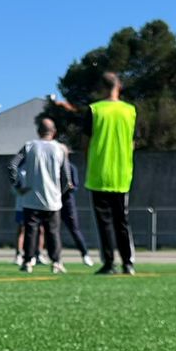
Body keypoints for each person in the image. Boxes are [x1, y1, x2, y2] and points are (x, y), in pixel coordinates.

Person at [54, 72, 136, 275]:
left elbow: (86, 142)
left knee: (104, 222)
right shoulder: (130, 111)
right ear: (119, 86)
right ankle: (128, 263)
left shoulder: (95, 110)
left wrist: (91, 159)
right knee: (122, 221)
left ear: (102, 87)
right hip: (122, 174)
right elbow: (134, 142)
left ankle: (109, 263)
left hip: (99, 173)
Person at [10, 116, 69, 273]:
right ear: (54, 132)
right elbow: (67, 178)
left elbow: (12, 165)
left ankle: (28, 261)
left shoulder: (29, 147)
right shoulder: (60, 149)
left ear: (38, 131)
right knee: (53, 232)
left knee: (31, 231)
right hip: (53, 200)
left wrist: (18, 187)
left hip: (31, 198)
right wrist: (60, 194)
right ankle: (56, 262)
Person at [55, 148, 93, 267]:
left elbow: (75, 185)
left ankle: (85, 254)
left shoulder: (71, 168)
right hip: (54, 202)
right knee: (53, 231)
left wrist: (69, 188)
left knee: (74, 229)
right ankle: (56, 258)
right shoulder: (53, 168)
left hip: (67, 202)